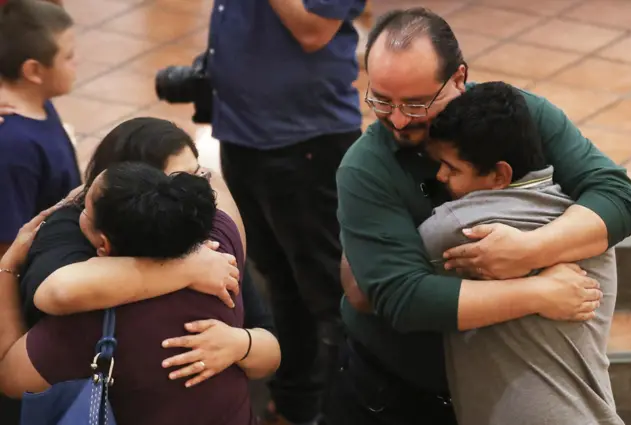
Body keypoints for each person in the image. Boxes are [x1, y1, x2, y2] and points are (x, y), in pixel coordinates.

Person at [327, 8, 631, 425]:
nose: (399, 120)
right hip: (400, 395)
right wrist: (537, 293)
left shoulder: (516, 114)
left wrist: (528, 249)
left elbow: (620, 196)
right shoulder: (364, 168)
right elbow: (401, 297)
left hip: (505, 385)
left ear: (458, 77)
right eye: (381, 100)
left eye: (417, 103)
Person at [0, 161, 277, 425]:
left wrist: (8, 267)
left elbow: (10, 379)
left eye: (83, 208)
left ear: (104, 244)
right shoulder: (220, 243)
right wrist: (244, 343)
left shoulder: (88, 323)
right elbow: (213, 178)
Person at [19, 117, 280, 389]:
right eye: (179, 181)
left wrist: (242, 345)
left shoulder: (199, 227)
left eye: (198, 174)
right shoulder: (70, 231)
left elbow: (269, 345)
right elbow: (55, 294)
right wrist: (188, 270)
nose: (198, 191)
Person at [419, 81, 622, 425]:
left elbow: (382, 287)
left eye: (452, 169)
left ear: (500, 175)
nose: (439, 176)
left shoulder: (457, 229)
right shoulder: (587, 229)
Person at [205, 1, 365, 423]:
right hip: (242, 133)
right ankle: (296, 402)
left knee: (333, 293)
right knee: (281, 279)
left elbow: (314, 29)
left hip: (305, 142)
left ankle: (343, 411)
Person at [0, 0, 79, 259]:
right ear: (33, 70)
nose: (76, 63)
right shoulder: (12, 147)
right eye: (68, 57)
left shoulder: (42, 104)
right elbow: (7, 248)